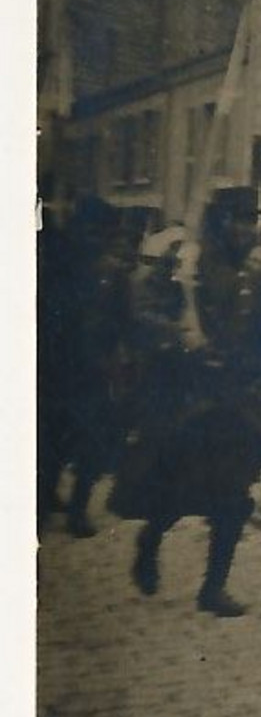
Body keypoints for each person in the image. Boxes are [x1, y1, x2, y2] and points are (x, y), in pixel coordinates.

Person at [111, 186, 261, 618]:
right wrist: (180, 337)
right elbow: (141, 312)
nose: (247, 230)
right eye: (239, 220)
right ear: (221, 221)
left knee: (234, 499)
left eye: (252, 221)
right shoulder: (186, 263)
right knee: (177, 492)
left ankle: (213, 587)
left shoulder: (257, 278)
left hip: (236, 404)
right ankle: (150, 540)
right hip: (189, 400)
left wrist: (260, 372)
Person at [41, 196, 134, 539]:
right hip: (57, 370)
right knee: (52, 443)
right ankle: (43, 500)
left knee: (91, 446)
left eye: (103, 234)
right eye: (90, 232)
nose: (96, 240)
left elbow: (124, 323)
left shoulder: (115, 275)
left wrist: (115, 365)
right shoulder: (58, 268)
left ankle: (78, 509)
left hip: (95, 373)